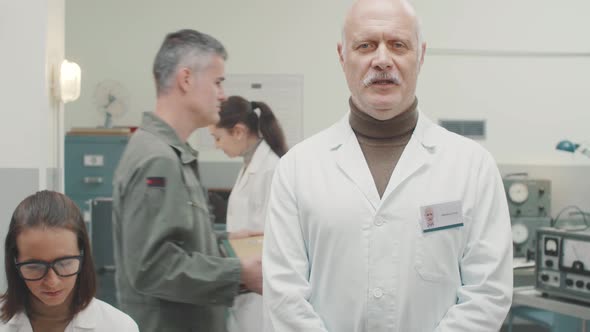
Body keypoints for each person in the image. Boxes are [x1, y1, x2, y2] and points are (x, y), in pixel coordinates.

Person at [262, 0, 513, 331]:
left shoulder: (472, 167)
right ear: (342, 55)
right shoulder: (297, 168)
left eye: (398, 45)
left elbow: (488, 294)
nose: (382, 60)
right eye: (366, 45)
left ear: (420, 55)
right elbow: (284, 297)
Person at [112, 29, 262, 332]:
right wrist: (238, 273)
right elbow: (152, 266)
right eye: (218, 82)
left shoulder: (171, 154)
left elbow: (177, 245)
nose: (223, 95)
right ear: (186, 79)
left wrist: (224, 244)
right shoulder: (158, 160)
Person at [0, 190, 138, 332]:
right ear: (14, 262)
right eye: (35, 266)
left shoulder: (119, 327)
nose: (52, 282)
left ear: (83, 255)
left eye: (64, 263)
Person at [208, 95, 288, 332]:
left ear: (239, 132)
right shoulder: (251, 166)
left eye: (218, 137)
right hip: (246, 284)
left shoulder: (270, 170)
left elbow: (272, 236)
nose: (217, 145)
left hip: (260, 287)